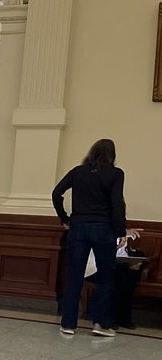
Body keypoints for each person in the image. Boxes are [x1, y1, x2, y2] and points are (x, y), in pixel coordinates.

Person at [52, 138, 126, 337]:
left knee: (74, 275)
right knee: (105, 277)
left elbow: (56, 192)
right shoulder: (116, 174)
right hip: (104, 229)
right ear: (112, 154)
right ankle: (100, 324)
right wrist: (120, 231)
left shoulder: (78, 171)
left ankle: (68, 324)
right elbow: (117, 203)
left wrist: (64, 218)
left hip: (78, 227)